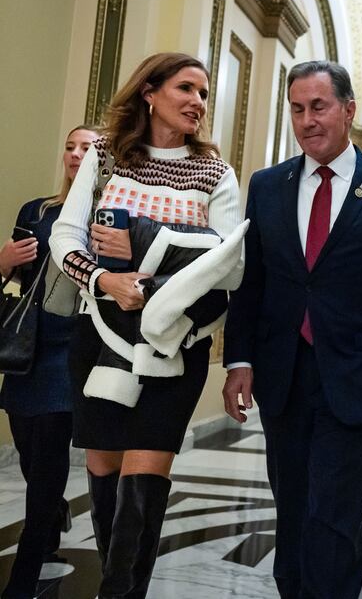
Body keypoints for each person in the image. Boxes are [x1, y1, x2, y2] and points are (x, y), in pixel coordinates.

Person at [222, 60, 362, 599]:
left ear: (347, 110)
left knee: (334, 512)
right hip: (283, 374)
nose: (307, 120)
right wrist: (238, 359)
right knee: (291, 506)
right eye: (297, 109)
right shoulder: (268, 186)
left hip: (356, 377)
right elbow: (253, 281)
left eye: (318, 107)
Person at [49, 52, 245, 597]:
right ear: (150, 93)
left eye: (204, 94)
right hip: (100, 337)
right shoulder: (107, 158)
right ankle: (116, 584)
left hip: (175, 345)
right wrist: (102, 280)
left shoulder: (215, 171)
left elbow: (229, 263)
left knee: (147, 469)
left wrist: (144, 248)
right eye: (186, 88)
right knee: (105, 468)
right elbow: (65, 235)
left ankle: (121, 593)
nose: (198, 103)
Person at [0, 125, 99, 598]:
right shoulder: (37, 212)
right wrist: (1, 262)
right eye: (70, 146)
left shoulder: (109, 217)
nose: (76, 155)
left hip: (74, 352)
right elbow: (15, 281)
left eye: (88, 148)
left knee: (49, 455)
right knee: (27, 448)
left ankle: (25, 571)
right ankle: (55, 509)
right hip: (27, 350)